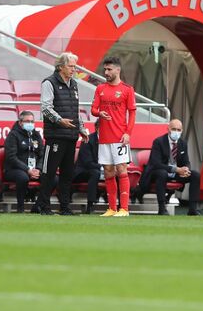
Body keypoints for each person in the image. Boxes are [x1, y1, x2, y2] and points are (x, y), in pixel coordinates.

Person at [36, 51, 89, 216]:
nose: (73, 69)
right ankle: (43, 207)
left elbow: (75, 111)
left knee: (67, 174)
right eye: (70, 66)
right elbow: (46, 107)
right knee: (49, 172)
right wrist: (60, 121)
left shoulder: (74, 84)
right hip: (55, 136)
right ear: (60, 66)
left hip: (71, 135)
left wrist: (81, 129)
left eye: (74, 66)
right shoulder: (49, 83)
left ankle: (65, 207)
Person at [91, 56, 137, 217]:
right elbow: (93, 109)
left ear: (118, 70)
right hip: (104, 136)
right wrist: (99, 113)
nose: (106, 72)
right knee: (108, 170)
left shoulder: (127, 89)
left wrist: (128, 133)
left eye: (109, 69)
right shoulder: (100, 88)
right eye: (105, 69)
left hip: (119, 137)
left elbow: (132, 113)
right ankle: (111, 208)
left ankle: (124, 209)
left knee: (121, 169)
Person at [133, 119, 201, 216]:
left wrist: (186, 169)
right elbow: (156, 163)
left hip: (176, 173)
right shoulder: (158, 142)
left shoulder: (183, 143)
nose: (176, 132)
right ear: (168, 129)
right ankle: (162, 208)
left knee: (195, 175)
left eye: (178, 130)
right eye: (174, 129)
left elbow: (186, 161)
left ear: (182, 130)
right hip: (158, 171)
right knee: (162, 173)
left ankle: (192, 209)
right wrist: (176, 169)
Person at [2, 111, 45, 213]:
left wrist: (38, 169)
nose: (30, 123)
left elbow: (42, 155)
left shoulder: (36, 135)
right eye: (27, 121)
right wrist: (27, 170)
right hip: (15, 170)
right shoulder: (13, 135)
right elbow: (11, 157)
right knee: (23, 177)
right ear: (20, 122)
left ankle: (37, 206)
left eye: (32, 121)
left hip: (34, 170)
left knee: (53, 178)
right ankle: (20, 208)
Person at [72, 124, 101, 214]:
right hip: (83, 171)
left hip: (102, 170)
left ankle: (120, 206)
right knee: (95, 173)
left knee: (119, 173)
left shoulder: (110, 140)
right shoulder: (88, 139)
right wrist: (104, 167)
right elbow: (87, 162)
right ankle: (90, 205)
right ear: (97, 128)